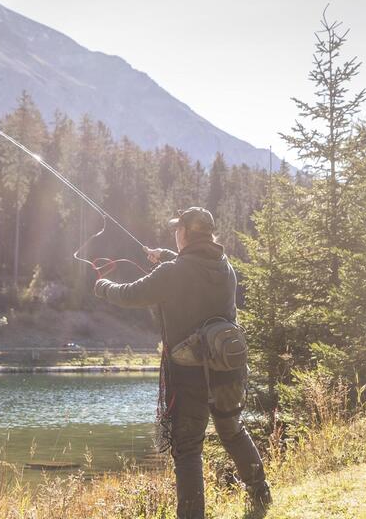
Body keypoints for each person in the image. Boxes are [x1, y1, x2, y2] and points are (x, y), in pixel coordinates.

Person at [93, 207, 271, 516]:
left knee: (187, 449)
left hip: (189, 374)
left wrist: (101, 286)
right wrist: (165, 255)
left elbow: (131, 294)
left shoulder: (173, 272)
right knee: (232, 430)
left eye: (179, 230)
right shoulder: (224, 266)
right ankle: (260, 493)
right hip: (228, 369)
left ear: (185, 234)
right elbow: (192, 268)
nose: (176, 233)